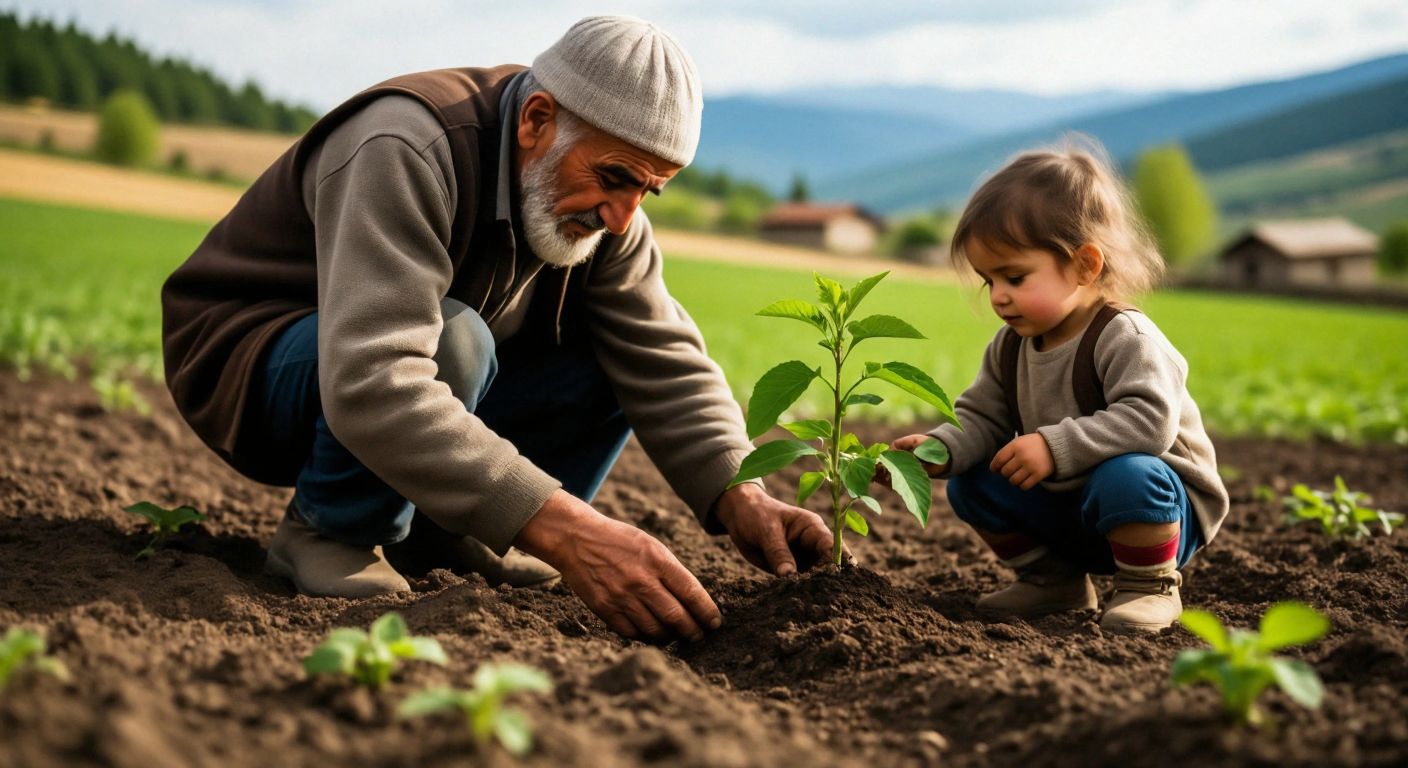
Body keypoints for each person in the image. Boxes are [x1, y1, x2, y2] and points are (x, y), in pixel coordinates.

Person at [160, 15, 832, 642]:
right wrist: (568, 530)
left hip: (391, 374)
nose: (623, 217)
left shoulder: (606, 217)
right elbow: (375, 376)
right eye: (615, 178)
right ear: (537, 120)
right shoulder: (407, 146)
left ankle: (445, 535)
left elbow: (665, 359)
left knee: (610, 354)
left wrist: (741, 492)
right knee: (454, 338)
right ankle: (331, 530)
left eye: (647, 190)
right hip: (252, 365)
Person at [886, 140, 1228, 633]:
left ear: (1086, 265)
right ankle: (1054, 582)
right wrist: (942, 448)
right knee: (974, 482)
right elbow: (983, 417)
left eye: (1015, 277)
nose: (999, 296)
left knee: (1127, 473)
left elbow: (1149, 422)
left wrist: (1053, 445)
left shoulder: (1125, 338)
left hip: (1161, 511)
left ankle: (1149, 586)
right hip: (1075, 507)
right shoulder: (1010, 347)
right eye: (989, 281)